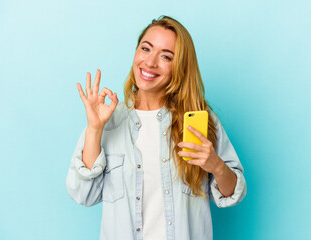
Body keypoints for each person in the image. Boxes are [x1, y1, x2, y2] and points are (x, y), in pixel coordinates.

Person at [66, 15, 246, 240]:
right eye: (146, 48)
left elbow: (232, 195)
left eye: (166, 57)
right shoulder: (108, 120)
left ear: (179, 67)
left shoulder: (201, 120)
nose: (150, 63)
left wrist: (217, 166)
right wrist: (94, 129)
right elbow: (83, 194)